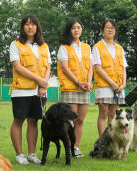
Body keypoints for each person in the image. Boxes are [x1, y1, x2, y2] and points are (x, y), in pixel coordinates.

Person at [9, 14, 51, 165]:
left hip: (39, 91)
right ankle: (19, 154)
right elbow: (18, 66)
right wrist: (39, 80)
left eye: (33, 24)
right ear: (22, 27)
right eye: (27, 24)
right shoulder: (16, 44)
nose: (30, 27)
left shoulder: (44, 46)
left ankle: (31, 154)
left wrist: (43, 84)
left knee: (34, 122)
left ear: (37, 27)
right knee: (18, 120)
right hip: (21, 90)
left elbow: (48, 67)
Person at [57, 18, 92, 157]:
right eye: (73, 28)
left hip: (85, 88)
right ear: (69, 30)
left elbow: (90, 67)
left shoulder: (87, 47)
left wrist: (88, 82)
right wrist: (78, 83)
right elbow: (65, 68)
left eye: (78, 27)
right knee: (70, 121)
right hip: (71, 88)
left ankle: (76, 147)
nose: (76, 30)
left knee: (80, 120)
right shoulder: (63, 47)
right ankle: (69, 148)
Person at [92, 20, 128, 135]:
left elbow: (123, 68)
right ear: (102, 30)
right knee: (103, 114)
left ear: (115, 31)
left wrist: (123, 84)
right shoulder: (97, 47)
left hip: (118, 87)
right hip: (103, 86)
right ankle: (103, 142)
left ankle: (111, 141)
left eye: (112, 27)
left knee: (113, 115)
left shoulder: (119, 48)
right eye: (107, 27)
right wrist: (111, 83)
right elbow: (98, 68)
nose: (110, 29)